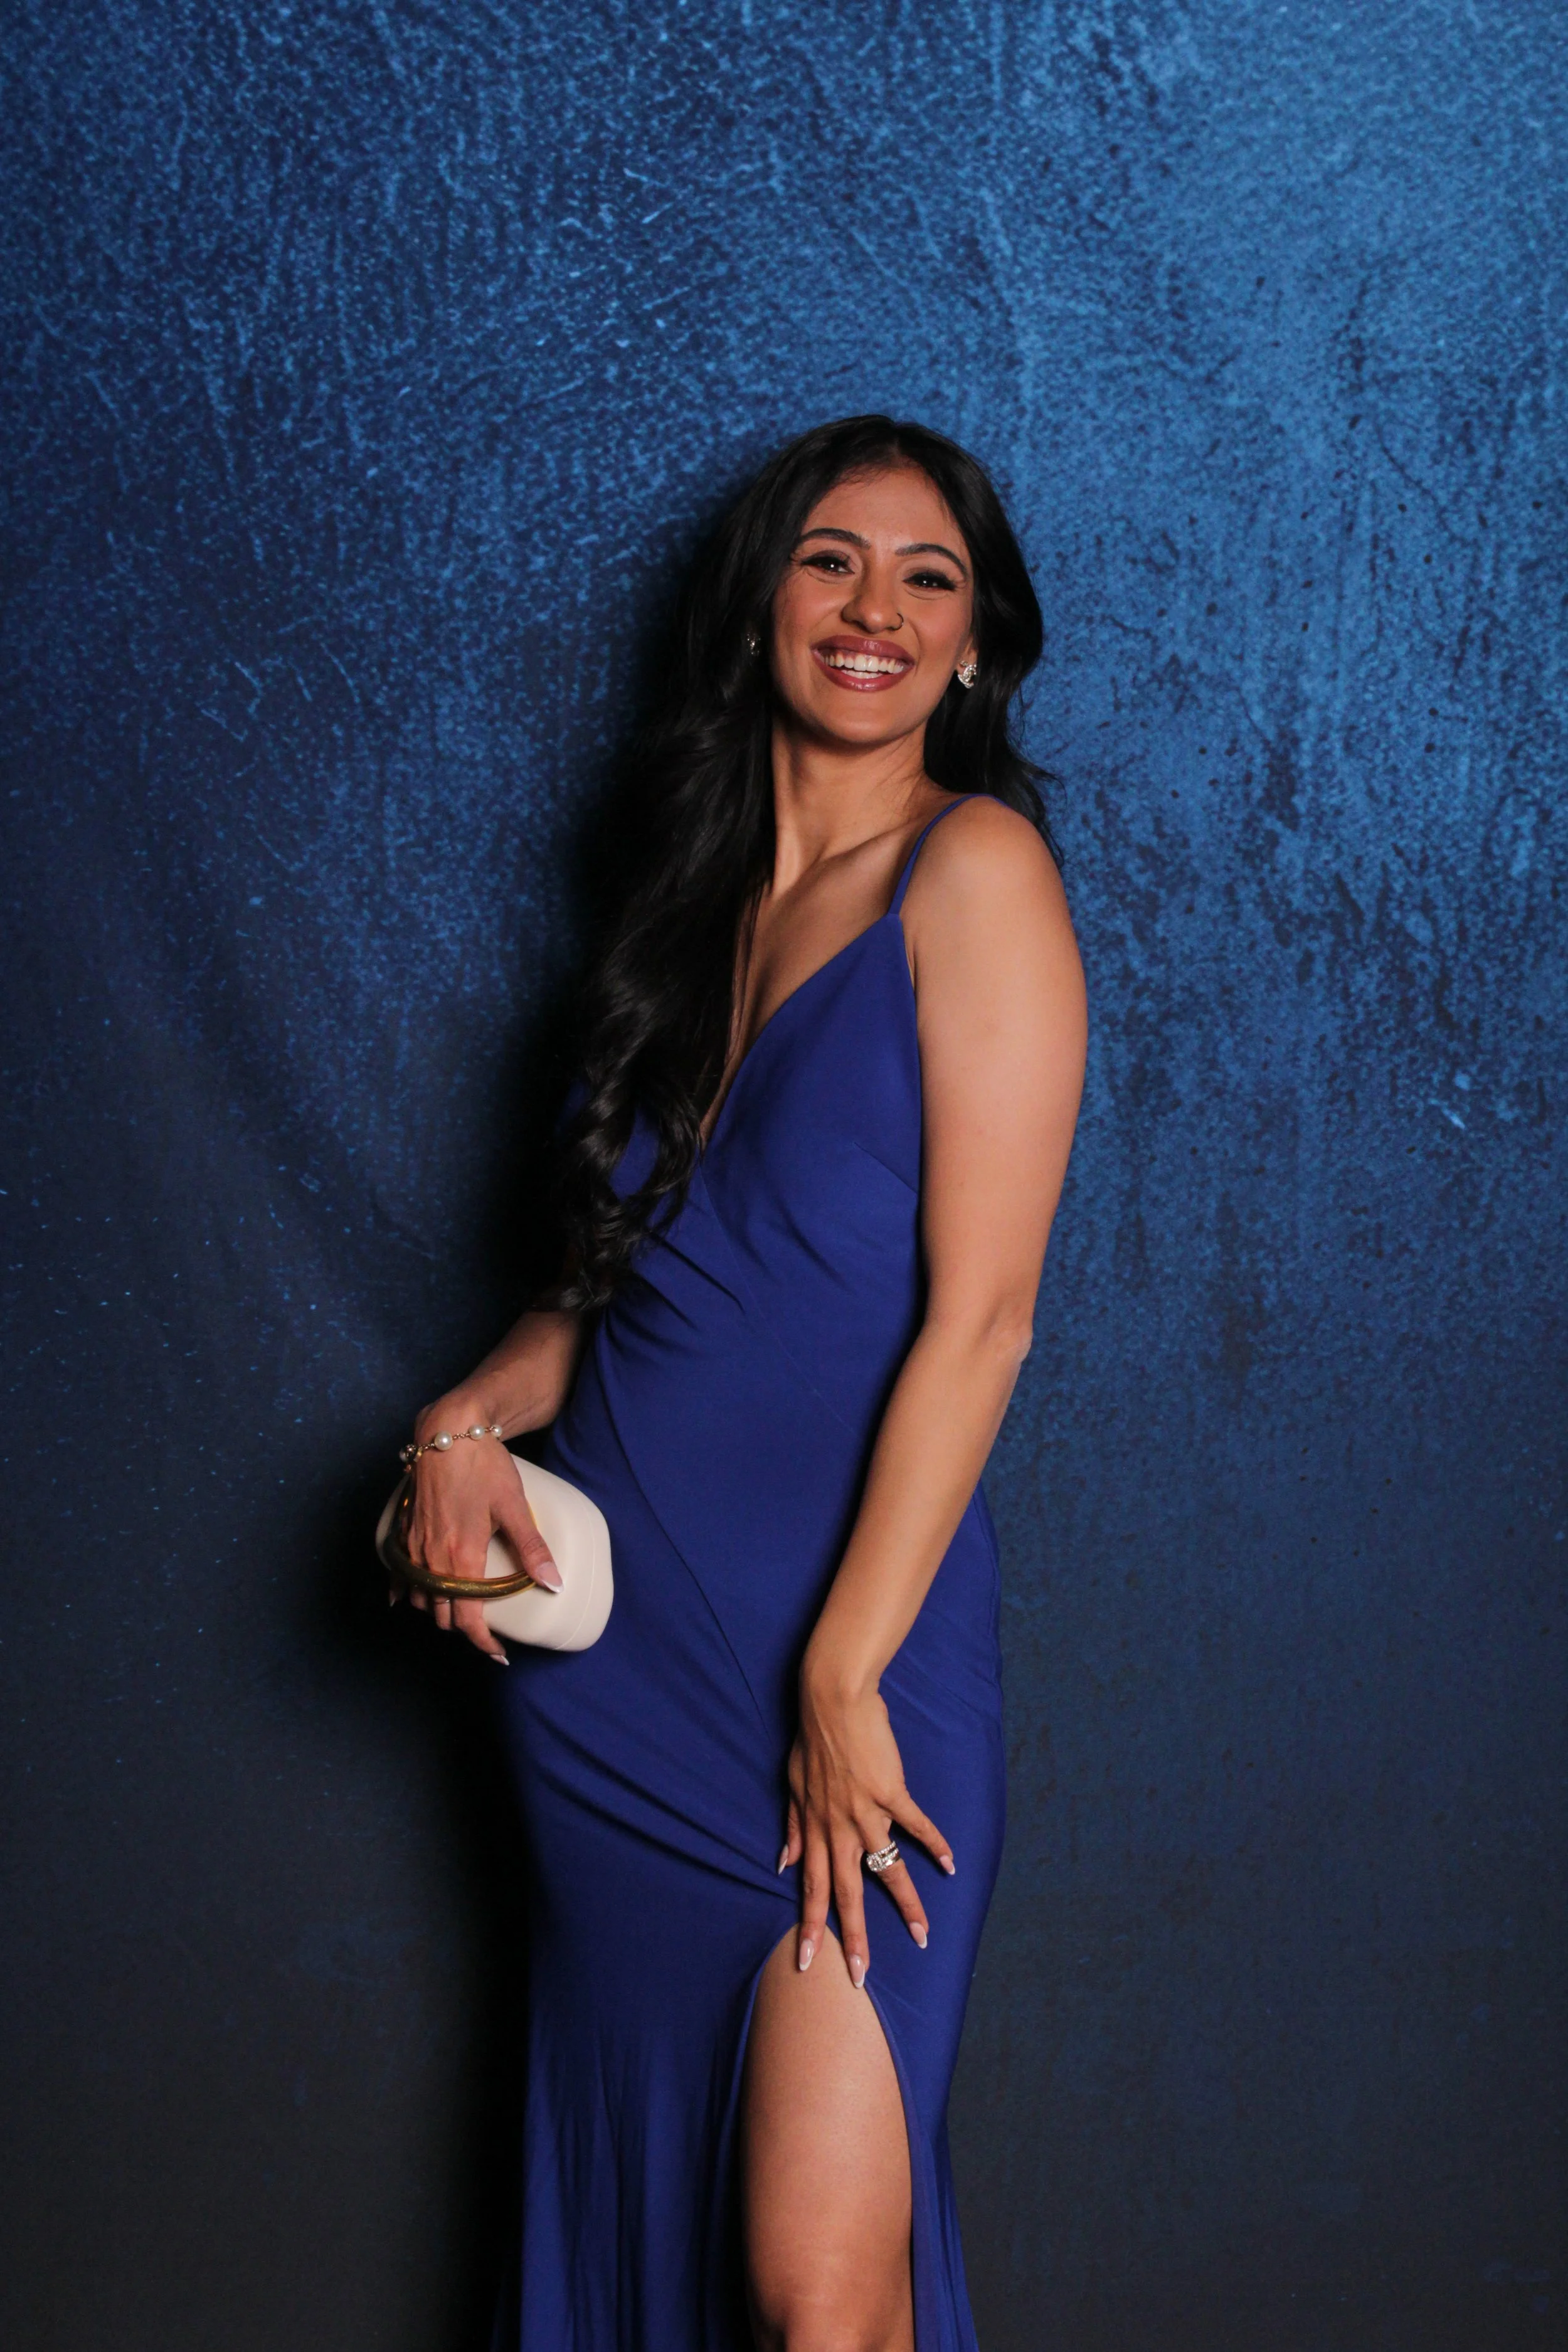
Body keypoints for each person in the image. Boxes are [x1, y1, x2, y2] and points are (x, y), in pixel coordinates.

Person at [393, 415, 1087, 2352]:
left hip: (849, 1661)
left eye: (926, 577)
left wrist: (841, 1668)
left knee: (815, 2287)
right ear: (761, 605)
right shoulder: (677, 917)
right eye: (830, 561)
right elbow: (608, 1286)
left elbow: (986, 1318)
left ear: (972, 646)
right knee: (675, 2246)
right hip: (617, 1681)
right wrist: (464, 1422)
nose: (874, 608)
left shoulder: (977, 874)